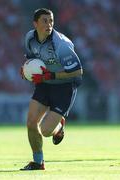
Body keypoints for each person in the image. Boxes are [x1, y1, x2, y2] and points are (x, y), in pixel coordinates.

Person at [20, 8, 83, 170]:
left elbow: (77, 71)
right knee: (31, 122)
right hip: (44, 84)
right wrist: (25, 69)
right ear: (35, 23)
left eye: (51, 21)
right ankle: (38, 162)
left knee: (46, 131)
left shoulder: (60, 44)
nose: (49, 24)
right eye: (45, 21)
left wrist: (51, 76)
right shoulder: (30, 38)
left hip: (64, 87)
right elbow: (31, 59)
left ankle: (59, 126)